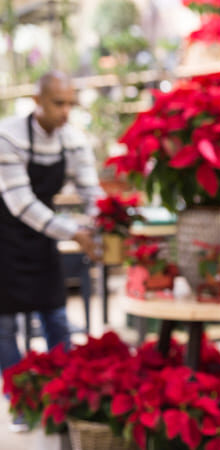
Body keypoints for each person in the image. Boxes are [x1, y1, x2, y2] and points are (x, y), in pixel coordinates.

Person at [0, 71, 103, 430]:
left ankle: (62, 396)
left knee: (56, 318)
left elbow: (92, 192)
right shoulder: (7, 136)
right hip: (5, 238)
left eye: (69, 104)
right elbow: (20, 203)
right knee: (4, 326)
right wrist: (74, 231)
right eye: (58, 103)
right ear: (37, 101)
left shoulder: (72, 141)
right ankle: (21, 402)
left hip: (41, 238)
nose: (65, 112)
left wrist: (104, 225)